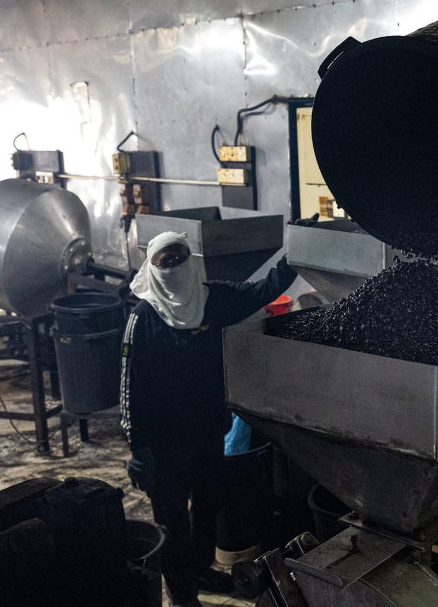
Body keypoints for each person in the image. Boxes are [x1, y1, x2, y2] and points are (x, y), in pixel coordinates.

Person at [120, 229, 302, 607]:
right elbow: (128, 386)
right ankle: (184, 595)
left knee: (208, 505)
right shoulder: (144, 317)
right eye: (163, 260)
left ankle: (200, 568)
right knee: (171, 520)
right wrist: (137, 446)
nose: (173, 266)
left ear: (190, 260)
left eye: (179, 257)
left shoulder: (211, 299)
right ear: (151, 266)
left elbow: (261, 291)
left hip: (206, 431)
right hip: (163, 443)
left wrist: (297, 247)